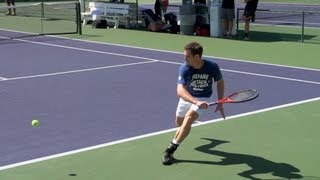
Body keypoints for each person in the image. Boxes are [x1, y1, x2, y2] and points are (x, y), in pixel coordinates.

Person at [162, 42, 226, 165]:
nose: (184, 58)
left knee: (189, 118)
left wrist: (220, 102)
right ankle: (212, 143)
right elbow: (180, 90)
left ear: (197, 57)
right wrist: (196, 102)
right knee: (179, 124)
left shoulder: (212, 66)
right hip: (188, 97)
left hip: (204, 97)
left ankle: (170, 150)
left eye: (187, 56)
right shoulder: (184, 68)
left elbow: (220, 82)